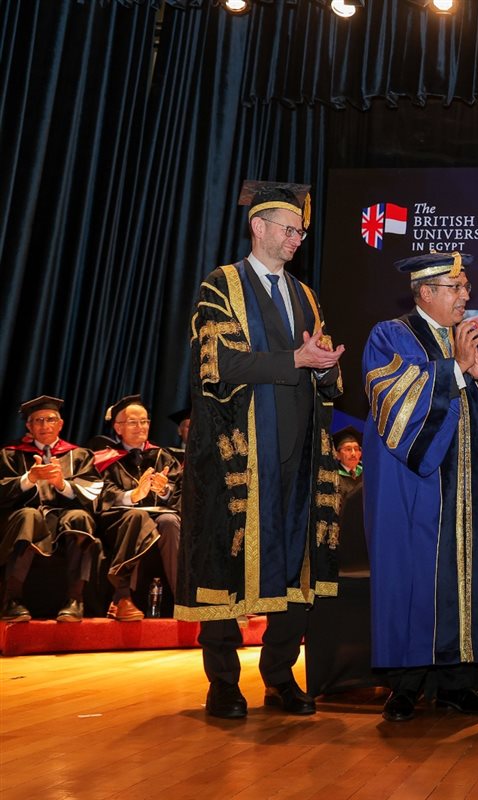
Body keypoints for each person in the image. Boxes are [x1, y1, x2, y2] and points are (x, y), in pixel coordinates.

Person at [176, 181, 345, 720]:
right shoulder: (221, 286)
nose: (297, 239)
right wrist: (295, 360)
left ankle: (279, 676)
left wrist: (327, 367)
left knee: (295, 564)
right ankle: (223, 682)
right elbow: (219, 365)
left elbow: (321, 368)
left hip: (298, 457)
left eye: (301, 233)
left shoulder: (306, 295)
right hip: (237, 455)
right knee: (224, 562)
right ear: (259, 226)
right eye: (289, 229)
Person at [362, 251, 478, 723]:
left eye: (466, 287)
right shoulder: (390, 336)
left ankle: (457, 684)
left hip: (472, 486)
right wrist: (454, 369)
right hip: (416, 486)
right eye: (456, 288)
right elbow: (393, 404)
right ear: (426, 292)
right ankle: (406, 686)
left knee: (469, 576)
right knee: (416, 576)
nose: (466, 296)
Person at [0, 396, 103, 622]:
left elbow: (94, 495)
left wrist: (61, 484)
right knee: (29, 515)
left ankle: (74, 600)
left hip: (63, 519)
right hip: (25, 519)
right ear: (29, 426)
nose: (44, 425)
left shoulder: (80, 455)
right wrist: (29, 479)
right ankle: (12, 600)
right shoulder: (11, 454)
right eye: (37, 420)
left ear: (61, 424)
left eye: (50, 419)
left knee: (80, 517)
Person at [92, 394, 183, 621]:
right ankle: (122, 597)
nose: (140, 427)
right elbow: (100, 494)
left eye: (144, 421)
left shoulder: (163, 456)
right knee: (136, 517)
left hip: (158, 517)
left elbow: (180, 491)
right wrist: (134, 495)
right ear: (118, 427)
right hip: (119, 520)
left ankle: (182, 597)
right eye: (133, 422)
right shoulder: (103, 458)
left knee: (170, 522)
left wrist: (164, 490)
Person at [331, 426, 363, 502]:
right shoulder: (333, 477)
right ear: (337, 455)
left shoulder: (367, 473)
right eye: (348, 449)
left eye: (356, 449)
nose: (353, 453)